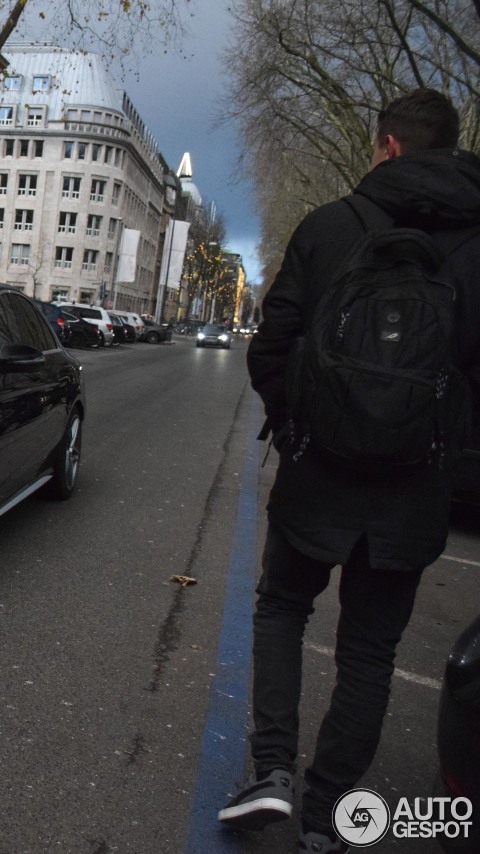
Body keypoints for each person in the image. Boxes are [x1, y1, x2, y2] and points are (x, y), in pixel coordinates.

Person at [221, 89, 480, 853]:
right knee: (370, 650)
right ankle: (326, 811)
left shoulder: (334, 225)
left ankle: (270, 771)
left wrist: (303, 425)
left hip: (319, 472)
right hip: (415, 487)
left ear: (388, 148)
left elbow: (272, 346)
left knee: (281, 609)